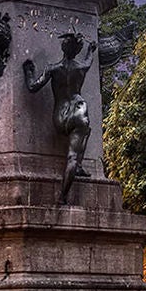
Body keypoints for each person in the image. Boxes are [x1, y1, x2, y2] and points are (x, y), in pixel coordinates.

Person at [24, 32, 97, 204]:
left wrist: (28, 71)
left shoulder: (52, 68)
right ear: (77, 50)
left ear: (63, 48)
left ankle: (75, 172)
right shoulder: (82, 67)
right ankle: (64, 194)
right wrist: (91, 50)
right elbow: (89, 60)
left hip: (60, 116)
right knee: (73, 154)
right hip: (79, 111)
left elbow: (33, 87)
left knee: (85, 132)